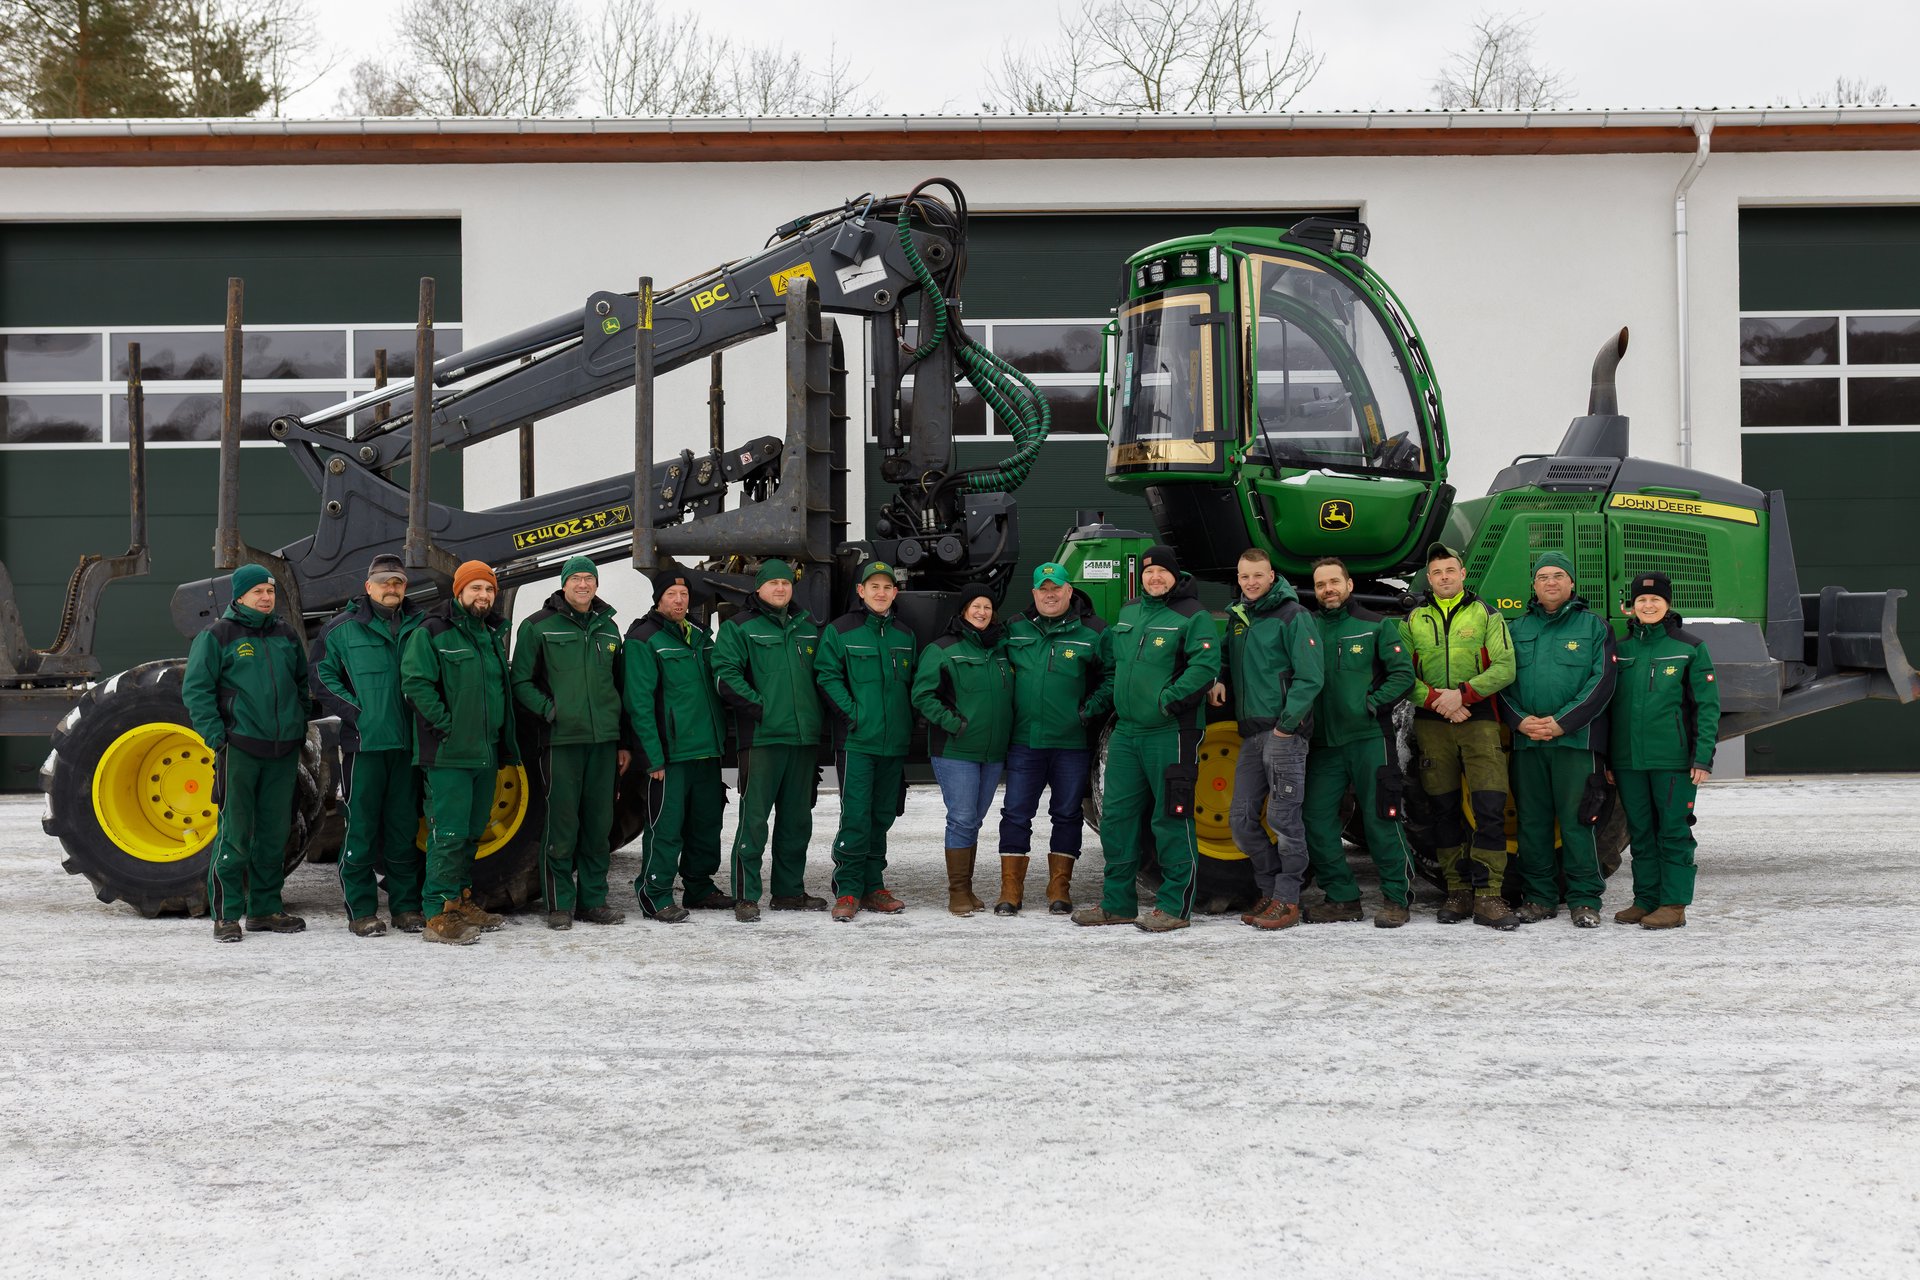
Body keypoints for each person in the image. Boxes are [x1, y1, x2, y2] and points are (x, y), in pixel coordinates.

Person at [1073, 544, 1221, 933]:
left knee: (1171, 817)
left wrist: (1165, 702)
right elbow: (1110, 661)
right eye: (1148, 573)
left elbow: (1205, 667)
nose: (1155, 578)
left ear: (1175, 575)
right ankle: (1117, 903)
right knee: (1117, 818)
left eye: (1162, 572)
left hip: (1170, 732)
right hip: (1127, 732)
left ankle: (1175, 906)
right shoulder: (1129, 613)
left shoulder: (1194, 616)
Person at [182, 563, 317, 942]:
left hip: (283, 750)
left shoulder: (286, 635)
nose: (265, 597)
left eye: (270, 591)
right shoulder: (217, 636)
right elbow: (197, 690)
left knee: (275, 834)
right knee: (236, 834)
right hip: (240, 749)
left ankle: (265, 909)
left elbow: (300, 683)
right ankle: (226, 916)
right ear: (239, 596)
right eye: (257, 591)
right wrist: (217, 737)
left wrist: (298, 724)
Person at [1401, 541, 1518, 930]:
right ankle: (1458, 890)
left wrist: (1462, 695)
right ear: (1429, 578)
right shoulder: (1413, 620)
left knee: (1488, 806)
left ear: (1463, 573)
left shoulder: (1487, 615)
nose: (1444, 578)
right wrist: (1437, 700)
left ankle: (1489, 895)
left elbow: (1505, 667)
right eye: (1436, 573)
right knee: (1444, 809)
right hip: (1432, 723)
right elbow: (1403, 672)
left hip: (1479, 719)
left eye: (1450, 571)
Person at [401, 559, 518, 946]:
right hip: (449, 754)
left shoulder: (489, 634)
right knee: (448, 834)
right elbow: (416, 683)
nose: (483, 596)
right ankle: (437, 913)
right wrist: (446, 728)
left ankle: (461, 900)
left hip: (484, 753)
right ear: (459, 591)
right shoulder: (432, 631)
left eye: (488, 589)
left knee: (470, 834)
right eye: (475, 589)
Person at [312, 553, 427, 936]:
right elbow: (322, 677)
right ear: (368, 587)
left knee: (402, 830)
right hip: (366, 747)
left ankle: (406, 907)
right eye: (384, 582)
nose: (391, 588)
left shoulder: (422, 625)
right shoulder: (340, 630)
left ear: (405, 586)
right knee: (360, 829)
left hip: (408, 747)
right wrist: (357, 714)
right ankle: (361, 911)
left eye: (397, 581)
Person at [511, 555, 629, 931]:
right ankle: (559, 903)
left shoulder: (610, 629)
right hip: (561, 742)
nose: (583, 585)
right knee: (561, 826)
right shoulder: (537, 627)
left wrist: (623, 741)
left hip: (604, 743)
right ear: (564, 584)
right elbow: (520, 682)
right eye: (576, 578)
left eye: (589, 579)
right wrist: (550, 711)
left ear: (596, 585)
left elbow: (621, 688)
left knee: (599, 826)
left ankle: (593, 901)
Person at [1501, 551, 1617, 929]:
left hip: (1575, 743)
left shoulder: (1594, 627)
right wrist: (1520, 722)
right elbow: (1499, 680)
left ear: (1571, 584)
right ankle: (1539, 898)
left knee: (1578, 822)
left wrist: (1562, 723)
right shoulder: (1514, 629)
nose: (1550, 582)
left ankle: (1584, 899)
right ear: (1533, 586)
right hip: (1528, 743)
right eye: (1543, 577)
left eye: (1558, 576)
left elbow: (1602, 683)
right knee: (1532, 824)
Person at [1300, 556, 1418, 928]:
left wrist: (1370, 705)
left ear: (1349, 585)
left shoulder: (1375, 625)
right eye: (1320, 584)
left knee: (1381, 817)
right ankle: (1342, 897)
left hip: (1368, 739)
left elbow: (1402, 677)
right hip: (1323, 745)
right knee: (1316, 820)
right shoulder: (1307, 629)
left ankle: (1397, 899)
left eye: (1334, 582)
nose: (1328, 590)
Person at [1209, 547, 1323, 931]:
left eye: (1258, 575)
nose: (1251, 583)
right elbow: (1227, 656)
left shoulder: (1294, 616)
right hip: (1251, 734)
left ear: (1271, 576)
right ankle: (1270, 890)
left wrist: (1287, 724)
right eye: (1244, 577)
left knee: (1284, 818)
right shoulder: (1239, 617)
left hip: (1283, 733)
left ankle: (1288, 900)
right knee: (1241, 820)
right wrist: (1220, 678)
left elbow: (1310, 677)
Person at [713, 559, 828, 922]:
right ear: (758, 588)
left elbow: (824, 676)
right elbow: (725, 676)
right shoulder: (739, 627)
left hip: (803, 739)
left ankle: (789, 891)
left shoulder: (808, 627)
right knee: (754, 820)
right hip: (762, 739)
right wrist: (761, 708)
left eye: (785, 582)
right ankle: (746, 896)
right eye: (772, 582)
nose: (780, 588)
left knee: (797, 821)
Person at [997, 562, 1112, 916]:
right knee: (1016, 813)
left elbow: (1112, 676)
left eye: (1056, 588)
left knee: (1066, 814)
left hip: (1070, 744)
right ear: (1034, 593)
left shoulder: (1093, 633)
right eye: (1043, 588)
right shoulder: (1013, 629)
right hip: (1024, 742)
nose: (1050, 594)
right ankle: (1010, 890)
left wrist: (1087, 711)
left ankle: (1059, 889)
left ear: (1069, 591)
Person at [1608, 570, 1719, 930]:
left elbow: (1706, 706)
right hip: (1628, 761)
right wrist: (1611, 758)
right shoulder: (1620, 651)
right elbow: (1609, 707)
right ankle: (1646, 900)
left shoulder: (1690, 648)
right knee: (1640, 832)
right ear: (1632, 606)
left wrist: (1703, 756)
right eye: (1642, 599)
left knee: (1673, 831)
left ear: (1667, 604)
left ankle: (1673, 904)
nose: (1649, 605)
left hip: (1673, 760)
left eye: (1655, 599)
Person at [623, 564, 733, 923]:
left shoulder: (700, 635)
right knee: (665, 827)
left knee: (705, 825)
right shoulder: (644, 639)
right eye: (672, 594)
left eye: (684, 594)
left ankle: (699, 886)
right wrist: (652, 758)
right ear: (658, 599)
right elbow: (639, 703)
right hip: (670, 755)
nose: (680, 599)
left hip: (706, 750)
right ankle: (653, 893)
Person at [815, 561, 917, 921]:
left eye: (886, 587)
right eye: (872, 586)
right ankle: (847, 889)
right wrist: (854, 715)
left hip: (894, 744)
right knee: (856, 816)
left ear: (895, 592)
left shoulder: (905, 635)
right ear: (860, 591)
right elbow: (827, 676)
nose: (880, 592)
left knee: (882, 816)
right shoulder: (841, 631)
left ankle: (874, 886)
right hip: (858, 742)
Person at [911, 583, 1015, 916]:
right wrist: (955, 724)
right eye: (976, 606)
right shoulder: (942, 649)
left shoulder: (1000, 650)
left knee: (974, 820)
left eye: (987, 607)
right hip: (956, 750)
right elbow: (922, 695)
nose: (982, 612)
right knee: (961, 819)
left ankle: (967, 889)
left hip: (993, 751)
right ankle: (958, 892)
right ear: (963, 611)